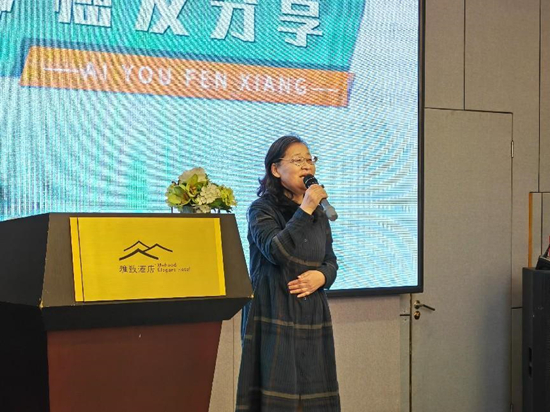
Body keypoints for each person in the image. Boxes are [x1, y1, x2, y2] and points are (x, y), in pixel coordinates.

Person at [235, 135, 340, 411]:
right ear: (275, 169)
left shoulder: (318, 213)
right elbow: (276, 251)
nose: (306, 166)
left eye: (309, 159)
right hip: (274, 309)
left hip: (311, 311)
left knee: (316, 395)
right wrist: (305, 208)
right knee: (277, 397)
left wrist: (322, 277)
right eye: (297, 160)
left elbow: (330, 261)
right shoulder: (261, 209)